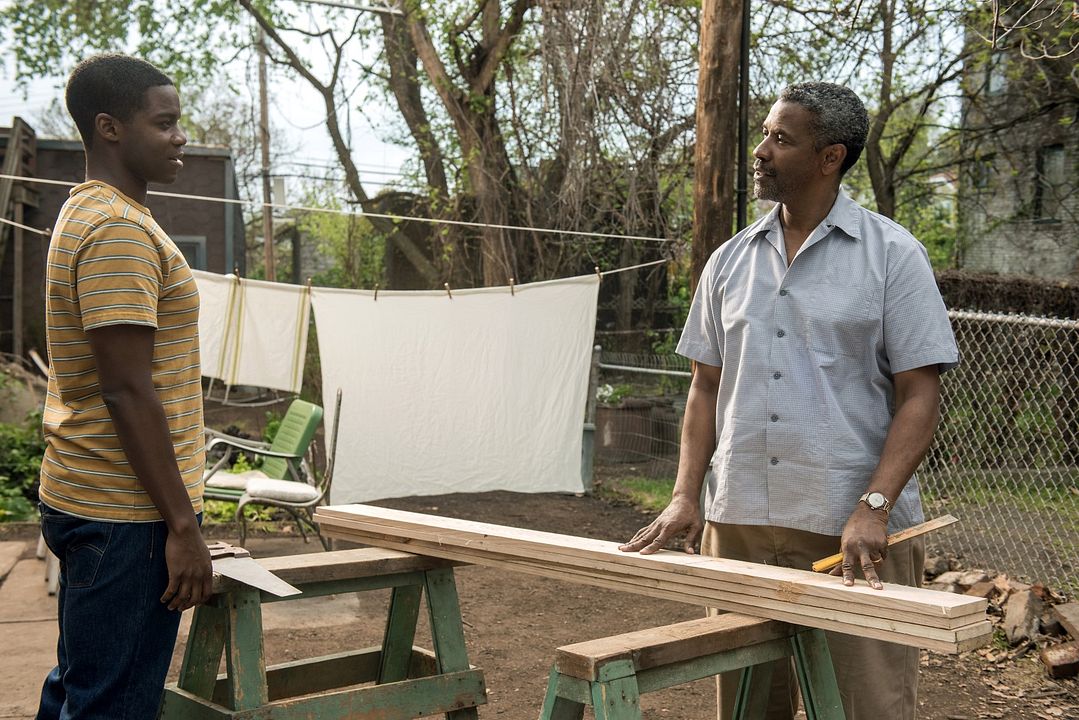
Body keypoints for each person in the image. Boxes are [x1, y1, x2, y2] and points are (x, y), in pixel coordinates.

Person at [619, 82, 959, 720]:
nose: (762, 151)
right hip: (740, 522)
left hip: (855, 534)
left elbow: (920, 395)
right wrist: (686, 496)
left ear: (830, 157)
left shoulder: (893, 257)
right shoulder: (729, 261)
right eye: (765, 134)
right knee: (748, 707)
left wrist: (874, 506)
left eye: (782, 139)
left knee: (870, 708)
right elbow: (705, 387)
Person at [36, 53, 212, 720]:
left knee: (82, 686)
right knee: (113, 704)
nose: (180, 137)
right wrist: (181, 526)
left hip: (97, 499)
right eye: (164, 123)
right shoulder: (117, 229)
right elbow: (127, 391)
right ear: (109, 129)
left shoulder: (87, 213)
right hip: (124, 516)